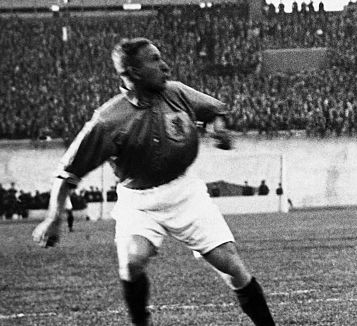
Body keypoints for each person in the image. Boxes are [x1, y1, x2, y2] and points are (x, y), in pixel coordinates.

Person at [31, 37, 275, 326]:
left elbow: (214, 111)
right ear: (132, 73)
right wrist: (53, 217)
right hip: (139, 201)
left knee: (232, 267)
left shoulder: (177, 93)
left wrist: (217, 130)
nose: (166, 67)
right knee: (132, 262)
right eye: (155, 60)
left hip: (186, 194)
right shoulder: (107, 120)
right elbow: (68, 172)